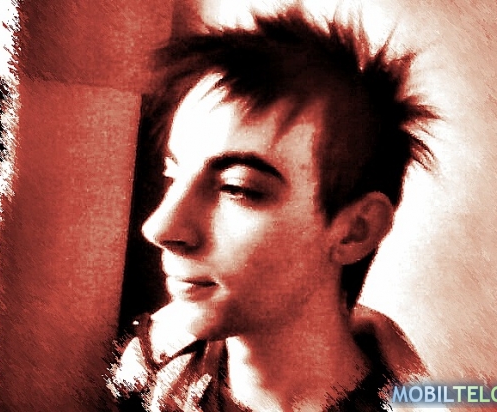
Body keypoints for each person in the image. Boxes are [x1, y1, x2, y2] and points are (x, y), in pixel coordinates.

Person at [109, 6, 437, 411]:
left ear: (355, 230)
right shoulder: (149, 366)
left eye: (237, 188)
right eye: (173, 175)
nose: (159, 227)